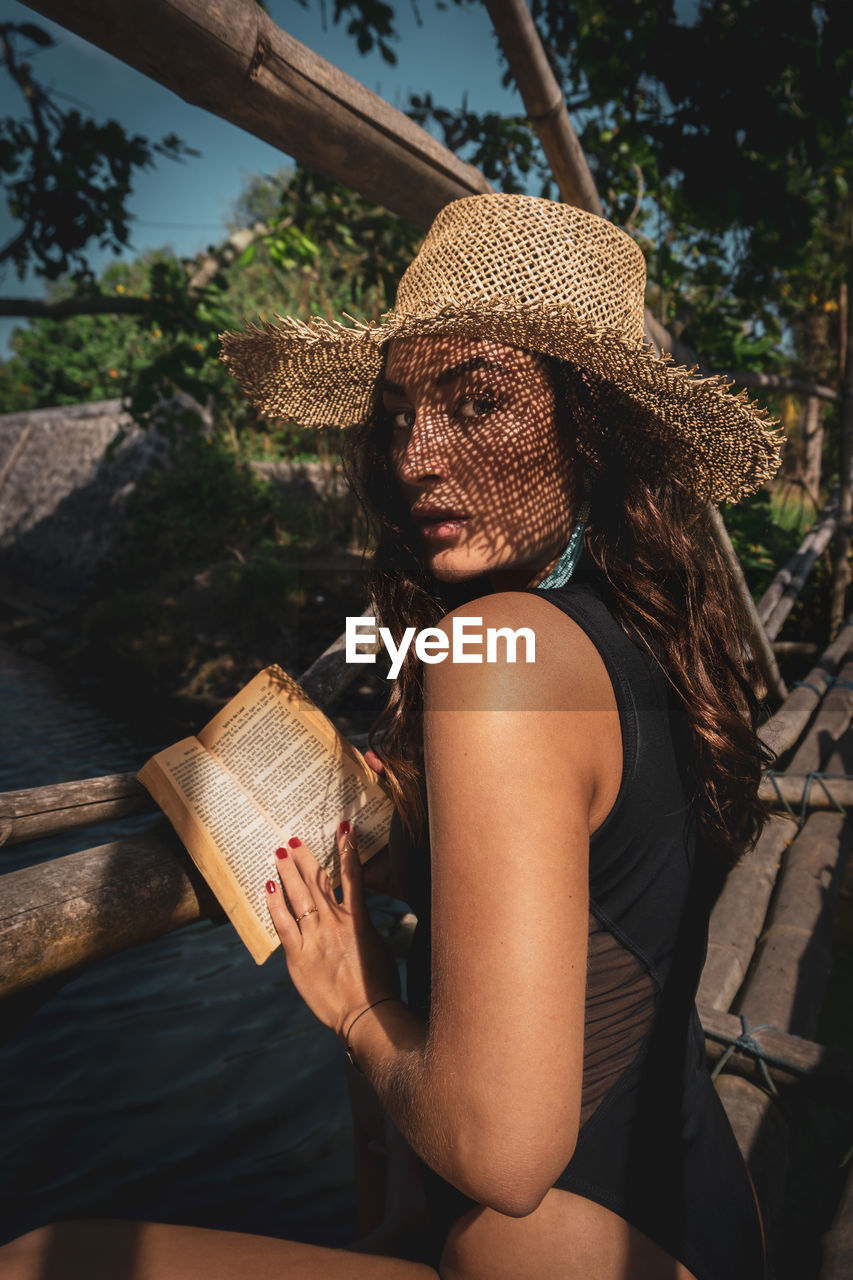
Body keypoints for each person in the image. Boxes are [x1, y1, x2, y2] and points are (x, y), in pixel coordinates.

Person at [1, 194, 782, 1280]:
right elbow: (611, 879)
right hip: (697, 1211)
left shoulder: (492, 651)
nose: (416, 453)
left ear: (588, 421)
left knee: (46, 1257)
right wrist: (417, 824)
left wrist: (357, 999)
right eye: (401, 410)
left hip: (565, 1243)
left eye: (477, 402)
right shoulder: (649, 634)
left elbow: (504, 1154)